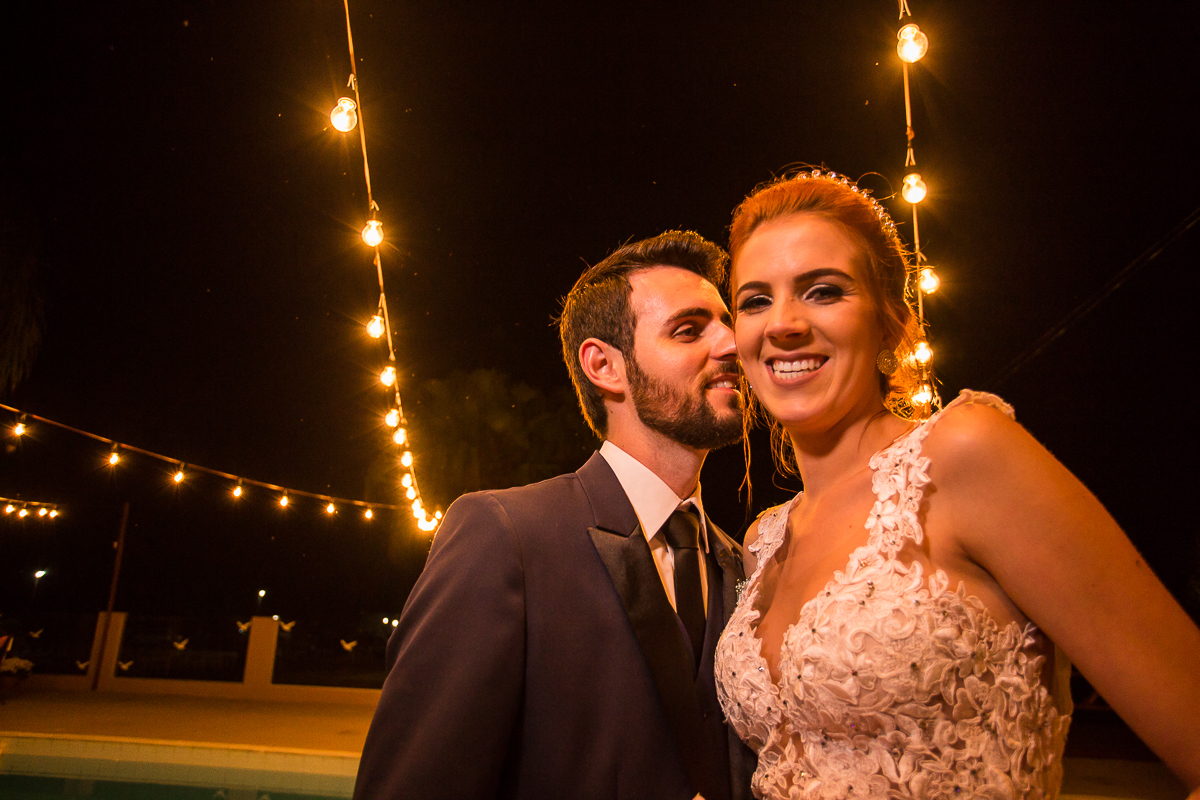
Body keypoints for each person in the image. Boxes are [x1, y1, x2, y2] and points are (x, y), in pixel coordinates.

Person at [713, 169, 1200, 799]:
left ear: (889, 321)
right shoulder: (764, 541)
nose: (783, 323)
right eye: (755, 301)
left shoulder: (964, 457)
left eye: (824, 291)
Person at [353, 230, 757, 800]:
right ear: (604, 366)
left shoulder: (743, 565)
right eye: (689, 330)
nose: (734, 344)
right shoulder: (505, 536)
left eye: (727, 323)